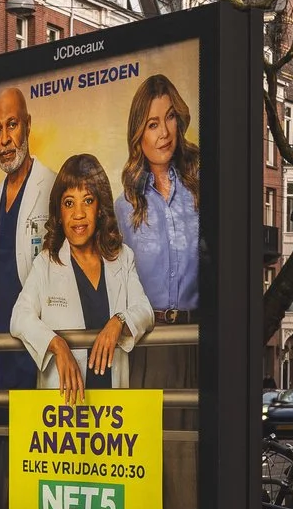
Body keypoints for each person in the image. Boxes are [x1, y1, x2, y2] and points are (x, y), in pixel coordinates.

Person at [11, 153, 155, 400]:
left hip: (112, 412)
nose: (78, 214)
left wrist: (118, 322)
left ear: (100, 208)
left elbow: (145, 310)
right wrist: (57, 345)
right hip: (64, 413)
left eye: (87, 201)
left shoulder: (122, 257)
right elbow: (19, 317)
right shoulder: (46, 264)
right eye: (69, 203)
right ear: (59, 211)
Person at [0, 87, 53, 395]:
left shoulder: (53, 186)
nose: (5, 139)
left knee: (32, 440)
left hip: (34, 351)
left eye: (12, 124)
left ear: (28, 125)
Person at [117, 74, 200, 318]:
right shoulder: (124, 207)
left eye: (170, 117)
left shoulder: (200, 185)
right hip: (147, 337)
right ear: (138, 133)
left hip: (200, 333)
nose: (164, 132)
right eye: (153, 124)